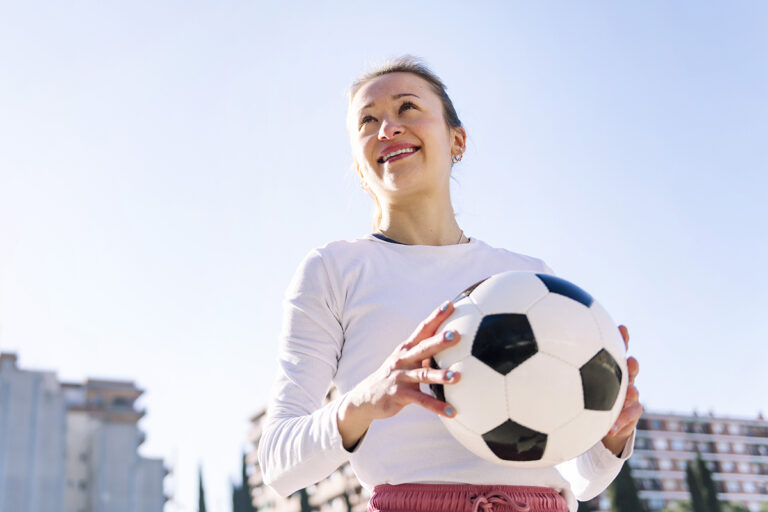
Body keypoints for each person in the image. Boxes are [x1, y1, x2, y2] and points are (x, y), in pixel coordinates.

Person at [257, 56, 642, 512]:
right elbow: (278, 463)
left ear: (456, 140)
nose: (387, 129)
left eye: (407, 108)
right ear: (360, 168)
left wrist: (612, 436)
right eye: (368, 120)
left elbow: (583, 478)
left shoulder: (531, 278)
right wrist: (367, 398)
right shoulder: (333, 269)